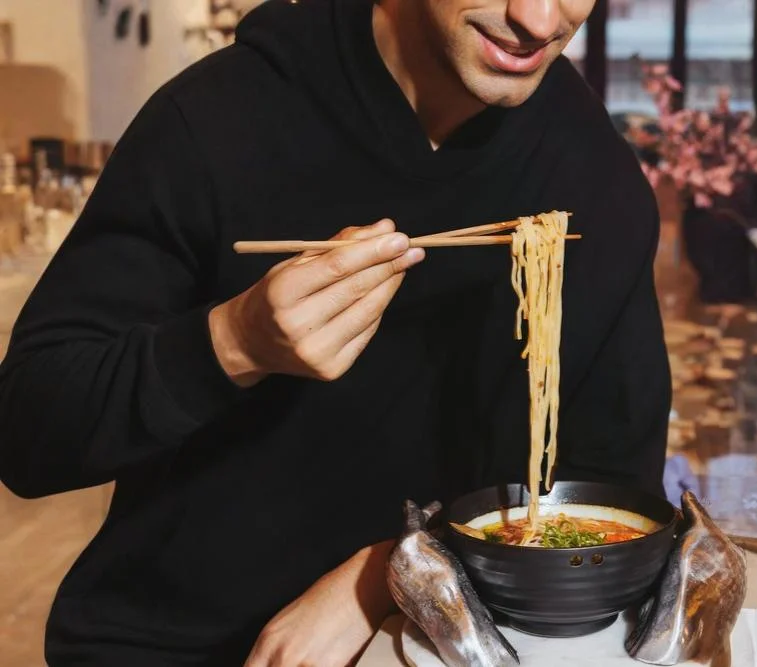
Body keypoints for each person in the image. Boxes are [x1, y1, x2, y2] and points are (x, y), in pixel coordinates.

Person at [0, 0, 671, 664]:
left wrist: (396, 572)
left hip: (442, 641)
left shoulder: (593, 180)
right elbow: (27, 431)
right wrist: (233, 343)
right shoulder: (216, 118)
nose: (538, 19)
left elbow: (609, 499)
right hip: (168, 641)